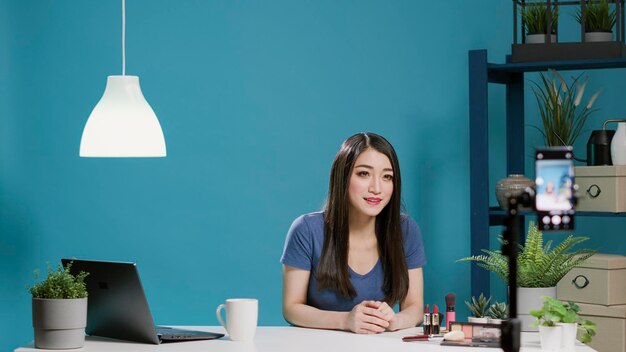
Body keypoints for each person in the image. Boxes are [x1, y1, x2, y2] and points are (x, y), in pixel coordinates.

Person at [280, 132, 426, 334]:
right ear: (343, 176)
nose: (376, 188)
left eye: (387, 176)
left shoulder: (406, 230)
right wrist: (346, 320)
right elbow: (291, 308)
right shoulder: (306, 229)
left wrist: (395, 320)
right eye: (364, 174)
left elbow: (415, 307)